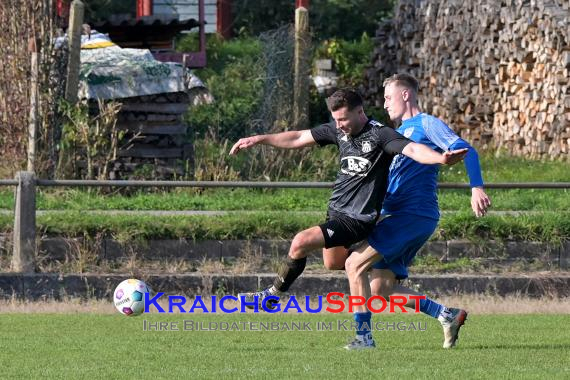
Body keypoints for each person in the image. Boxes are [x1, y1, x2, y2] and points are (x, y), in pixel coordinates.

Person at [229, 88, 467, 309]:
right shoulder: (337, 130)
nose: (339, 125)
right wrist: (259, 139)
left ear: (359, 111)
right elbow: (298, 138)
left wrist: (441, 159)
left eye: (343, 119)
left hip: (357, 219)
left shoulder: (381, 134)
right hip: (337, 213)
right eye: (335, 120)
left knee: (300, 242)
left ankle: (271, 296)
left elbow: (413, 149)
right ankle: (378, 269)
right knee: (335, 265)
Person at [343, 73, 491, 350]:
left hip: (412, 215)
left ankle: (363, 338)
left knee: (354, 264)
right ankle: (446, 315)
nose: (385, 104)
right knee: (381, 288)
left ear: (406, 95)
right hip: (404, 216)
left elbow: (467, 151)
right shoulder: (400, 133)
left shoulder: (427, 123)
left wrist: (476, 188)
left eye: (388, 97)